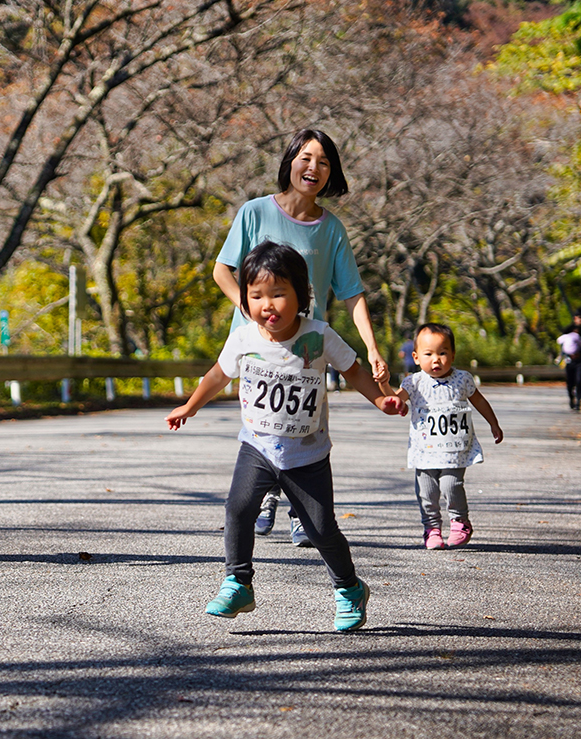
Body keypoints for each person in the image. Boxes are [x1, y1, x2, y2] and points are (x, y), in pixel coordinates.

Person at [167, 241, 405, 632]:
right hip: (257, 446)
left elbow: (355, 371)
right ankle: (238, 582)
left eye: (279, 294)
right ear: (244, 299)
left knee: (321, 528)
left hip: (306, 454)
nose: (268, 305)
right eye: (256, 295)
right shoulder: (244, 338)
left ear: (301, 294)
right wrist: (190, 406)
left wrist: (382, 400)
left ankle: (349, 588)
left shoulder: (320, 335)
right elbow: (217, 375)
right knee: (238, 508)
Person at [212, 128, 389, 546]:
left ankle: (299, 508)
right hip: (259, 343)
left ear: (332, 173)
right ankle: (269, 491)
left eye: (324, 162)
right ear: (289, 162)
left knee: (306, 420)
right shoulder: (254, 212)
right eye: (306, 158)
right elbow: (223, 269)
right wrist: (248, 306)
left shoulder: (331, 230)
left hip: (309, 347)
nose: (314, 168)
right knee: (264, 418)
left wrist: (372, 345)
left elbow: (351, 294)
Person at [390, 323, 503, 550]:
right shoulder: (414, 382)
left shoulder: (463, 379)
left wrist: (493, 423)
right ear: (415, 357)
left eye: (443, 353)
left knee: (452, 484)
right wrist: (396, 401)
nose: (436, 360)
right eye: (429, 354)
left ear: (452, 354)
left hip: (455, 448)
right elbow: (397, 399)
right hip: (425, 450)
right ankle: (431, 528)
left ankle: (460, 522)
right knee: (427, 491)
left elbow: (479, 400)